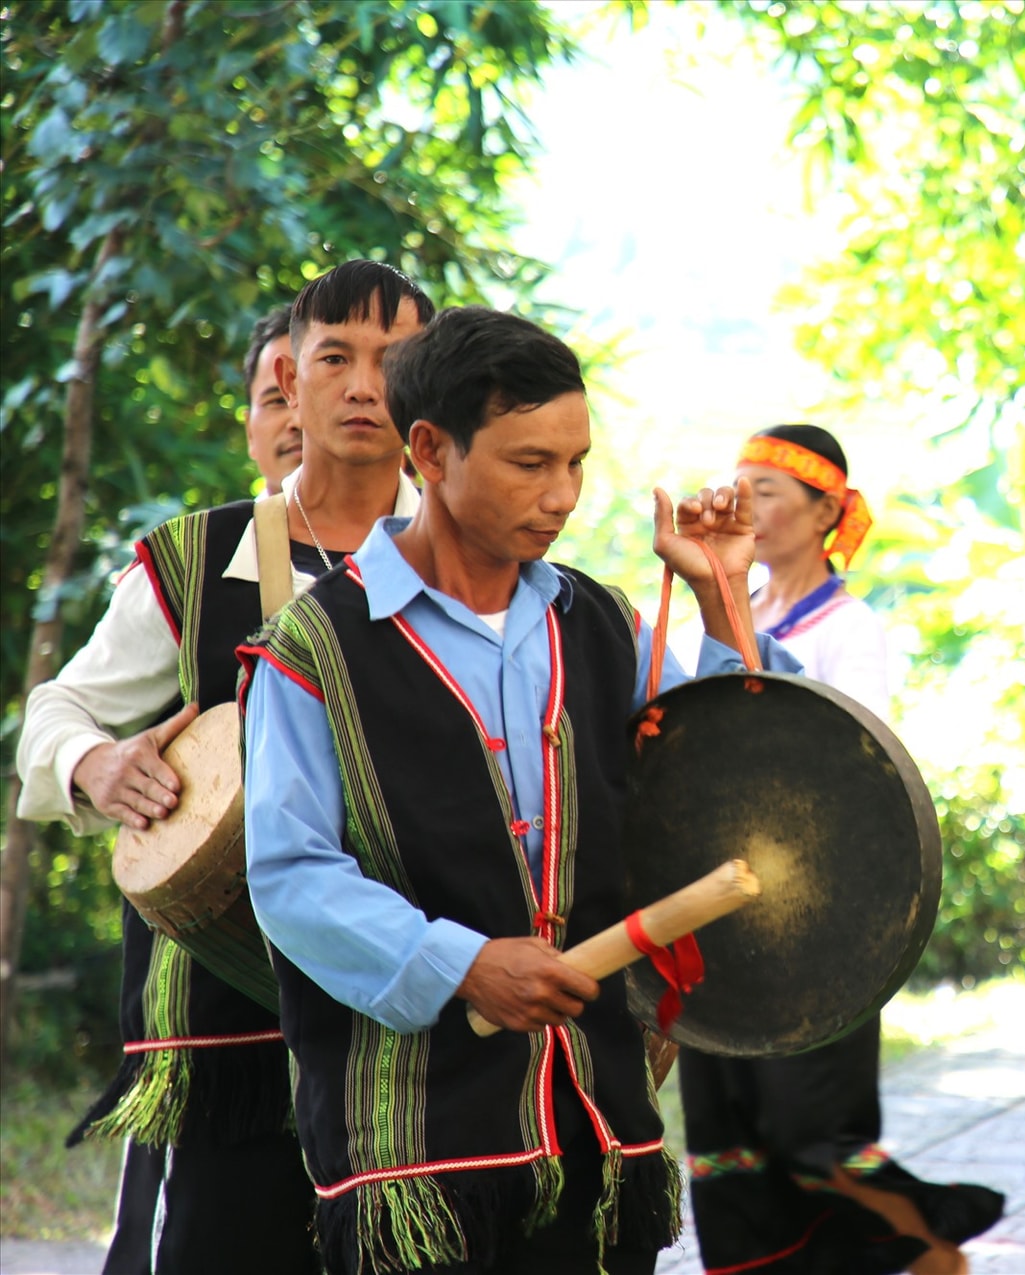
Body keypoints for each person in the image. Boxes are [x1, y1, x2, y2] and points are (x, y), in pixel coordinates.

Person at [240, 305, 801, 1275]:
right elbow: (290, 876)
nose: (564, 495)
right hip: (416, 1150)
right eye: (529, 463)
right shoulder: (314, 647)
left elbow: (741, 783)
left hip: (595, 1120)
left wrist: (721, 594)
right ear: (430, 449)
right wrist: (459, 963)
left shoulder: (599, 624)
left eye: (576, 462)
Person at [12, 259, 430, 1274]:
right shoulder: (200, 561)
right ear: (290, 376)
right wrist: (97, 765)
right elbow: (55, 713)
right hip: (236, 1038)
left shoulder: (463, 560)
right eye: (340, 358)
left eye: (398, 361)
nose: (368, 385)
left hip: (419, 1033)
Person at [677, 424, 1004, 1275]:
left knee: (809, 1129)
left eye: (771, 489)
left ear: (828, 509)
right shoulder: (728, 615)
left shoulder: (846, 626)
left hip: (811, 918)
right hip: (724, 911)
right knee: (728, 1141)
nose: (746, 501)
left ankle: (929, 1248)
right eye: (738, 484)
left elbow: (852, 760)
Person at [243, 304, 300, 493]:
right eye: (277, 401)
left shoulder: (393, 522)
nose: (297, 421)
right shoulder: (212, 524)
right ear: (249, 431)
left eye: (313, 399)